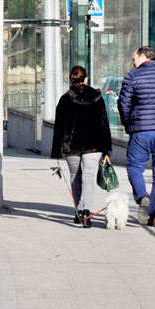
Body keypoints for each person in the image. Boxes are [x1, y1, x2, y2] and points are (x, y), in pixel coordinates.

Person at [51, 65, 113, 227]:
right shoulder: (97, 98)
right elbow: (104, 123)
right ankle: (86, 211)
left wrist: (56, 150)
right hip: (94, 143)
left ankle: (78, 212)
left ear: (71, 80)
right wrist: (107, 147)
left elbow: (59, 127)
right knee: (88, 176)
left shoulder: (65, 99)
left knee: (75, 176)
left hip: (71, 144)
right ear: (86, 79)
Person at [118, 46, 155, 227]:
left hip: (141, 130)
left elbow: (123, 103)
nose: (133, 62)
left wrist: (128, 124)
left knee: (134, 166)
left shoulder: (132, 77)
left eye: (134, 59)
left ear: (143, 56)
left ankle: (142, 196)